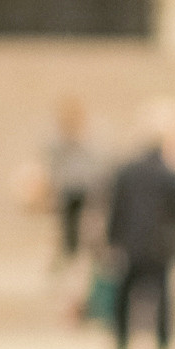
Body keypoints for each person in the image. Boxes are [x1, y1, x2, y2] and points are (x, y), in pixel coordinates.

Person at [105, 100, 175, 349]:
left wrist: (112, 241)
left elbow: (115, 208)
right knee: (162, 299)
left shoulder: (126, 171)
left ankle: (121, 348)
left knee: (124, 298)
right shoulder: (171, 174)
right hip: (160, 246)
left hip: (131, 244)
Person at [45, 95, 101, 270]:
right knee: (68, 228)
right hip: (68, 189)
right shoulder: (59, 141)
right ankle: (68, 257)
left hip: (85, 188)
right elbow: (54, 164)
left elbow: (94, 162)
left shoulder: (88, 138)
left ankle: (82, 259)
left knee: (87, 227)